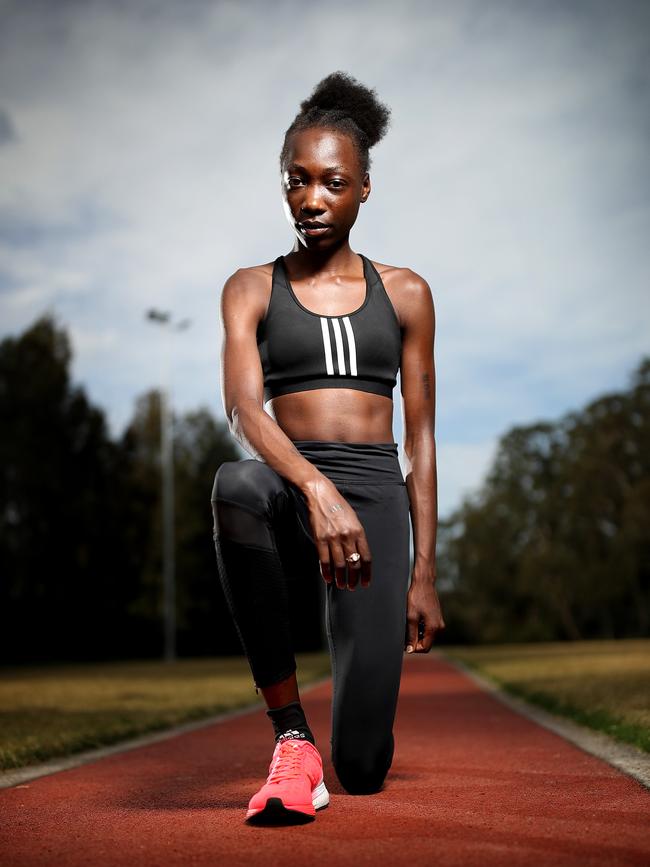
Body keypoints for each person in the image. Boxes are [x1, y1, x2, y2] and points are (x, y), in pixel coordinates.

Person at [211, 70, 445, 826]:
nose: (312, 199)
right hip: (291, 485)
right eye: (297, 180)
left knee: (366, 768)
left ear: (365, 189)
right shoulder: (250, 288)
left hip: (375, 496)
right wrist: (314, 488)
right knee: (236, 485)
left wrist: (425, 571)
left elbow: (420, 437)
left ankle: (345, 739)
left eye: (333, 183)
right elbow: (246, 408)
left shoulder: (406, 292)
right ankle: (290, 740)